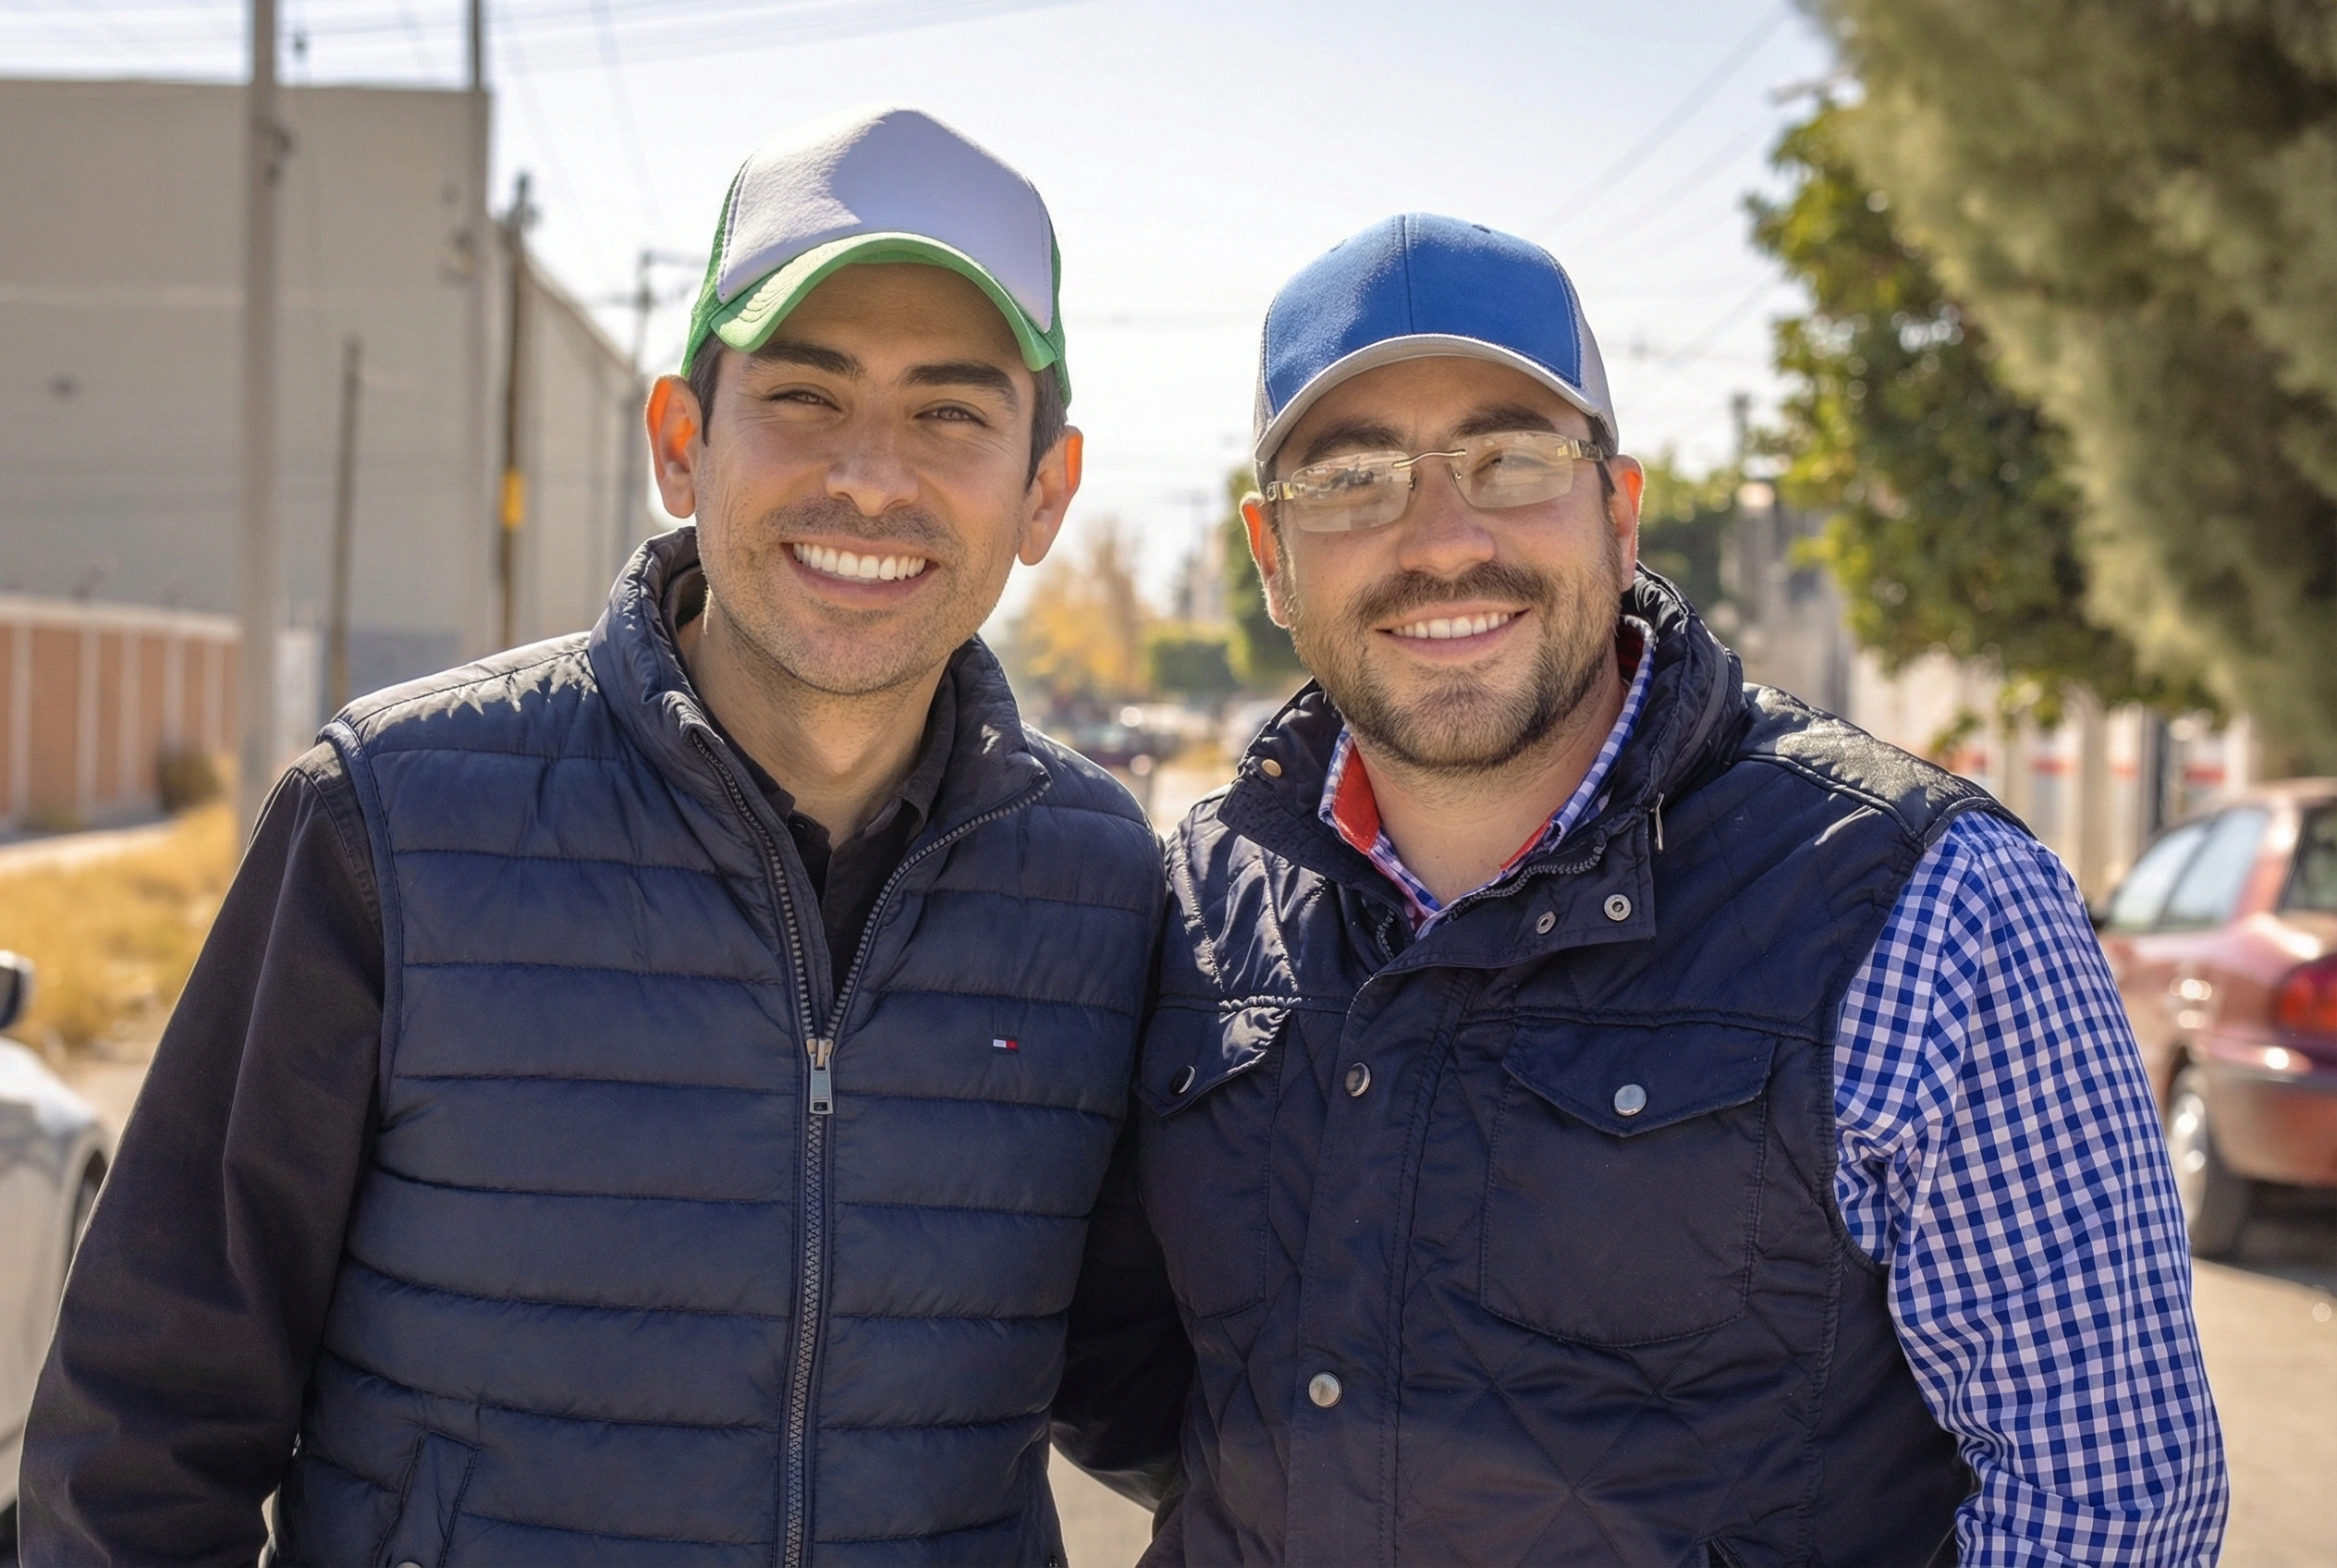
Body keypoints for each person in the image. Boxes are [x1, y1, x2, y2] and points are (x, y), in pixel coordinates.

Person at [21, 106, 1183, 1566]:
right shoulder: (394, 817)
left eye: (951, 412)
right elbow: (141, 1427)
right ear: (682, 444)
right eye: (807, 398)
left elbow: (1183, 1394)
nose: (872, 478)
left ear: (1046, 493)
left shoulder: (1101, 882)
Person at [1134, 214, 2227, 1565]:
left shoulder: (1926, 906)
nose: (1441, 537)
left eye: (1511, 457)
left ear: (1618, 507)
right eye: (1353, 480)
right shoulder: (1199, 904)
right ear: (1268, 556)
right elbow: (1154, 1393)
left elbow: (2107, 1504)